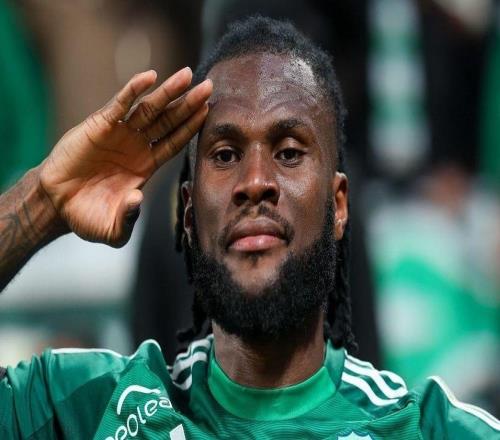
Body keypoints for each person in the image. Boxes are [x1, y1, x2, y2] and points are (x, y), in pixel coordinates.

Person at [0, 17, 498, 439]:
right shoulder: (91, 407)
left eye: (289, 152)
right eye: (225, 155)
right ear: (188, 213)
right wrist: (41, 203)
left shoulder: (426, 429)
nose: (255, 182)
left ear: (339, 205)